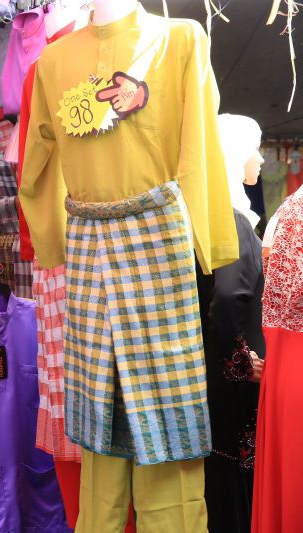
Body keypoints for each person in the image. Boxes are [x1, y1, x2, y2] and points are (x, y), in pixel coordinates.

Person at [195, 114, 265, 533]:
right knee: (234, 479)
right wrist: (241, 362)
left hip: (220, 372)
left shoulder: (217, 214)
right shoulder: (232, 221)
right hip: (234, 381)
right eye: (253, 147)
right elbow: (226, 297)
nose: (259, 158)